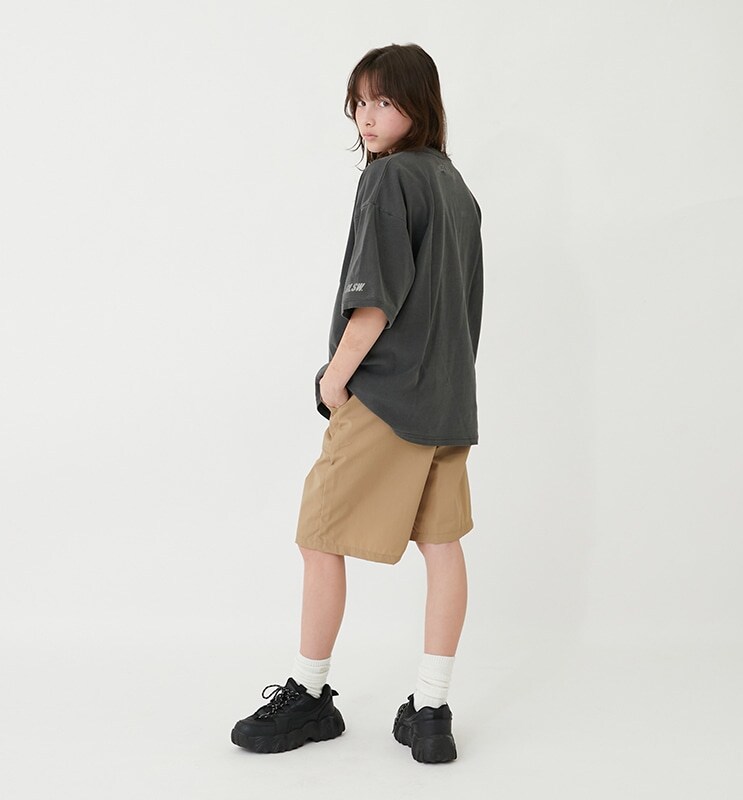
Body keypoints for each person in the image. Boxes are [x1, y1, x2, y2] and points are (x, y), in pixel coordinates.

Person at [231, 42, 484, 764]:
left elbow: (373, 303)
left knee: (318, 537)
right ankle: (430, 711)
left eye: (384, 101)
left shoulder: (390, 178)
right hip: (447, 400)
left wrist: (335, 379)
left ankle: (310, 696)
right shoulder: (456, 188)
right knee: (442, 546)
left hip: (387, 396)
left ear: (419, 105)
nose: (367, 118)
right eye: (360, 103)